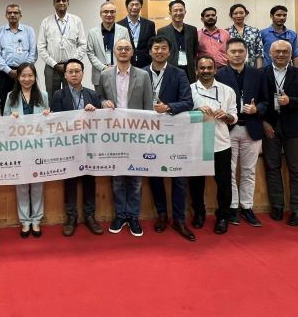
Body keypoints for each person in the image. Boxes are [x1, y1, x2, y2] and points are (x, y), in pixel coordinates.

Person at [142, 35, 196, 241]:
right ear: (150, 51)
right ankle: (162, 215)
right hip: (149, 135)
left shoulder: (179, 74)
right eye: (156, 48)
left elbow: (188, 102)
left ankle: (179, 219)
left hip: (174, 135)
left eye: (164, 48)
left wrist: (169, 108)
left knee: (179, 179)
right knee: (155, 177)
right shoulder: (140, 73)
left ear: (169, 52)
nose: (159, 51)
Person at [100, 39, 154, 237]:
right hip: (114, 136)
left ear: (132, 52)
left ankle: (133, 216)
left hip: (137, 136)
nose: (123, 51)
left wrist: (148, 136)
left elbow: (148, 106)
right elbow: (99, 98)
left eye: (127, 48)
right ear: (114, 52)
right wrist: (104, 101)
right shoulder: (105, 74)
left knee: (135, 179)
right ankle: (120, 215)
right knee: (117, 179)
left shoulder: (143, 75)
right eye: (119, 48)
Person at [261, 40, 298, 226]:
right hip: (270, 125)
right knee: (272, 167)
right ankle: (277, 205)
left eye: (285, 51)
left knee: (297, 169)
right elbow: (258, 100)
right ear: (270, 53)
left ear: (291, 54)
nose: (281, 54)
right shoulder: (262, 73)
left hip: (294, 126)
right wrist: (264, 122)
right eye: (277, 52)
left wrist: (290, 100)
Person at [215, 38, 267, 227]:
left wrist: (258, 109)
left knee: (248, 171)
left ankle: (247, 207)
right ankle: (232, 207)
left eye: (240, 51)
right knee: (228, 171)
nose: (237, 55)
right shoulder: (219, 75)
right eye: (233, 52)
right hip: (227, 129)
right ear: (226, 54)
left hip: (251, 127)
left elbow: (266, 100)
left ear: (246, 53)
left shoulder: (258, 74)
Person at [50, 58, 103, 237]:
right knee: (70, 183)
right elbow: (55, 125)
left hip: (89, 147)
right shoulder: (58, 95)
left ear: (83, 73)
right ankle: (71, 218)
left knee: (90, 182)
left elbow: (100, 123)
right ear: (65, 75)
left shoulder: (92, 95)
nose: (74, 74)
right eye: (70, 72)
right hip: (68, 148)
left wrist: (94, 111)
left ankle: (90, 216)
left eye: (77, 71)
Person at [189, 56, 238, 234]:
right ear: (196, 70)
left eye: (209, 68)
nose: (206, 71)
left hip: (221, 142)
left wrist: (226, 116)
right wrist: (195, 111)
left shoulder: (227, 91)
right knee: (196, 183)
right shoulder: (189, 90)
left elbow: (234, 117)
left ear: (215, 70)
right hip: (197, 143)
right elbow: (182, 115)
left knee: (224, 183)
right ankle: (199, 214)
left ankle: (223, 216)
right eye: (202, 68)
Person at [3, 63, 50, 238]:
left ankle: (36, 220)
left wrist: (47, 115)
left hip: (38, 147)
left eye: (30, 75)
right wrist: (10, 118)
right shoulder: (11, 96)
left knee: (37, 184)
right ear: (18, 77)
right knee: (22, 185)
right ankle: (25, 221)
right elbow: (3, 121)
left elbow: (49, 123)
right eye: (23, 75)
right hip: (19, 148)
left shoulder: (43, 95)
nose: (27, 79)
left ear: (35, 77)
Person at [37, 0, 87, 95]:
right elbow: (41, 47)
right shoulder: (46, 22)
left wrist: (71, 63)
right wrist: (54, 64)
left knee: (71, 94)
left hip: (71, 67)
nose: (61, 3)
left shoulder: (76, 20)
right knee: (51, 96)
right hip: (51, 67)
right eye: (58, 1)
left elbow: (82, 44)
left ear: (68, 3)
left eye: (64, 0)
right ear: (53, 4)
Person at [0, 4, 37, 110]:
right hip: (5, 73)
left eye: (15, 12)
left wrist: (22, 71)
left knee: (26, 100)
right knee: (5, 102)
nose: (12, 15)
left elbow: (33, 53)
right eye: (10, 13)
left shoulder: (29, 30)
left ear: (20, 15)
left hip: (25, 73)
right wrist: (8, 71)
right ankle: (7, 125)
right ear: (6, 15)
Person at [87, 1, 129, 96]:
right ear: (100, 14)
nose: (109, 14)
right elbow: (90, 53)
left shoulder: (124, 31)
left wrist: (116, 67)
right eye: (105, 12)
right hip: (99, 74)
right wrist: (104, 68)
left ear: (115, 13)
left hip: (119, 72)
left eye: (112, 12)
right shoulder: (92, 32)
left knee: (119, 103)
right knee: (101, 103)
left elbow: (127, 51)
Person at [157, 0, 198, 83]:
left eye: (181, 10)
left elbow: (194, 50)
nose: (178, 13)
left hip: (188, 70)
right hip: (170, 69)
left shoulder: (192, 30)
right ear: (170, 13)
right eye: (175, 10)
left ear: (185, 11)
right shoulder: (162, 31)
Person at [118, 0, 155, 68]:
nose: (134, 7)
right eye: (131, 5)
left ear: (141, 6)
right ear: (126, 6)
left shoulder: (149, 24)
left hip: (146, 64)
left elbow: (152, 44)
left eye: (137, 4)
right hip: (126, 63)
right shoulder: (119, 25)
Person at [226, 4, 263, 68]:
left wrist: (259, 69)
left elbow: (259, 51)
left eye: (241, 13)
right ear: (231, 15)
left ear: (245, 14)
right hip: (232, 68)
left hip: (251, 68)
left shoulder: (254, 31)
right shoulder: (226, 32)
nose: (238, 15)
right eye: (235, 13)